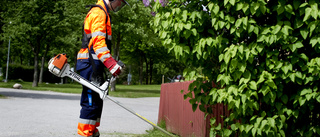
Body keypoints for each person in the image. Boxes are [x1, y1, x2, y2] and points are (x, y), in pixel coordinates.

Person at [76, 0, 129, 136]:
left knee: (97, 101)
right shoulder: (99, 13)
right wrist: (111, 65)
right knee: (91, 103)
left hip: (93, 63)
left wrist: (112, 63)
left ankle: (92, 132)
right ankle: (86, 133)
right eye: (119, 2)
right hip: (89, 64)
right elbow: (98, 45)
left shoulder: (102, 12)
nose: (119, 6)